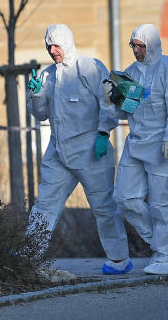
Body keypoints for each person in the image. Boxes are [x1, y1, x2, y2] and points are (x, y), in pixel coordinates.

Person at [26, 24, 132, 275]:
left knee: (103, 206)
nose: (53, 51)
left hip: (90, 150)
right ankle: (28, 256)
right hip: (58, 151)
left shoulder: (90, 68)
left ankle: (119, 259)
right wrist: (36, 94)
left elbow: (109, 104)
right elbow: (40, 115)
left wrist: (104, 133)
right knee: (45, 205)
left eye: (56, 45)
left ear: (67, 43)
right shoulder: (47, 75)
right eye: (48, 46)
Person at [101, 23, 168, 275]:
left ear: (152, 45)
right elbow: (123, 110)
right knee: (125, 197)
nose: (136, 50)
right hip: (136, 143)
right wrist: (110, 100)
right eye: (133, 45)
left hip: (164, 145)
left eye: (141, 46)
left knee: (161, 202)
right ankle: (159, 244)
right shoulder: (129, 74)